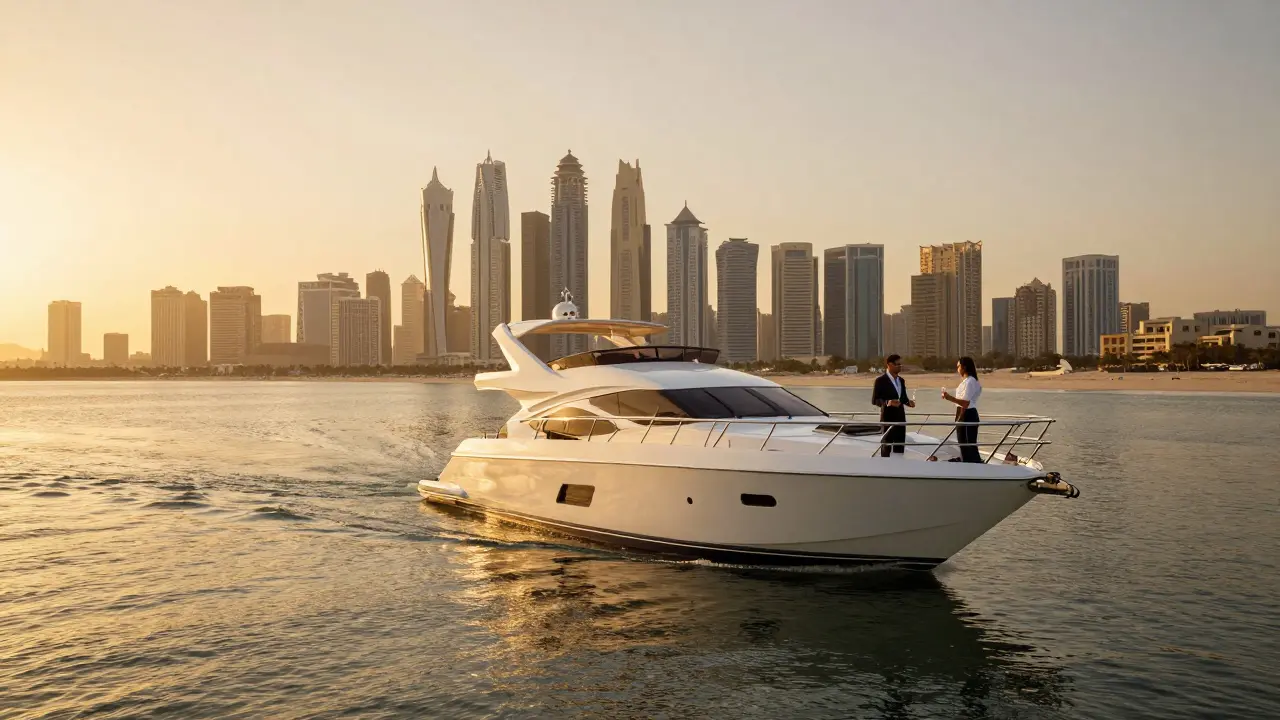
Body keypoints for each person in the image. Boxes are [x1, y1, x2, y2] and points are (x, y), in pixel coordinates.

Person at [942, 356, 983, 463]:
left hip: (967, 413)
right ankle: (967, 461)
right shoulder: (966, 381)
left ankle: (974, 464)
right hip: (961, 412)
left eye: (958, 366)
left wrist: (949, 398)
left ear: (964, 367)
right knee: (963, 442)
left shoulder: (970, 382)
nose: (957, 369)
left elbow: (966, 403)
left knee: (968, 443)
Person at [872, 354, 914, 457]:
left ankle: (899, 469)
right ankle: (885, 470)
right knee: (886, 449)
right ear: (889, 365)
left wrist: (909, 403)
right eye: (897, 364)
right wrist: (888, 402)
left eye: (900, 364)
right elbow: (875, 400)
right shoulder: (880, 380)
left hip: (900, 419)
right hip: (887, 419)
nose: (900, 366)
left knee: (899, 449)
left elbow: (903, 398)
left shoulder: (901, 380)